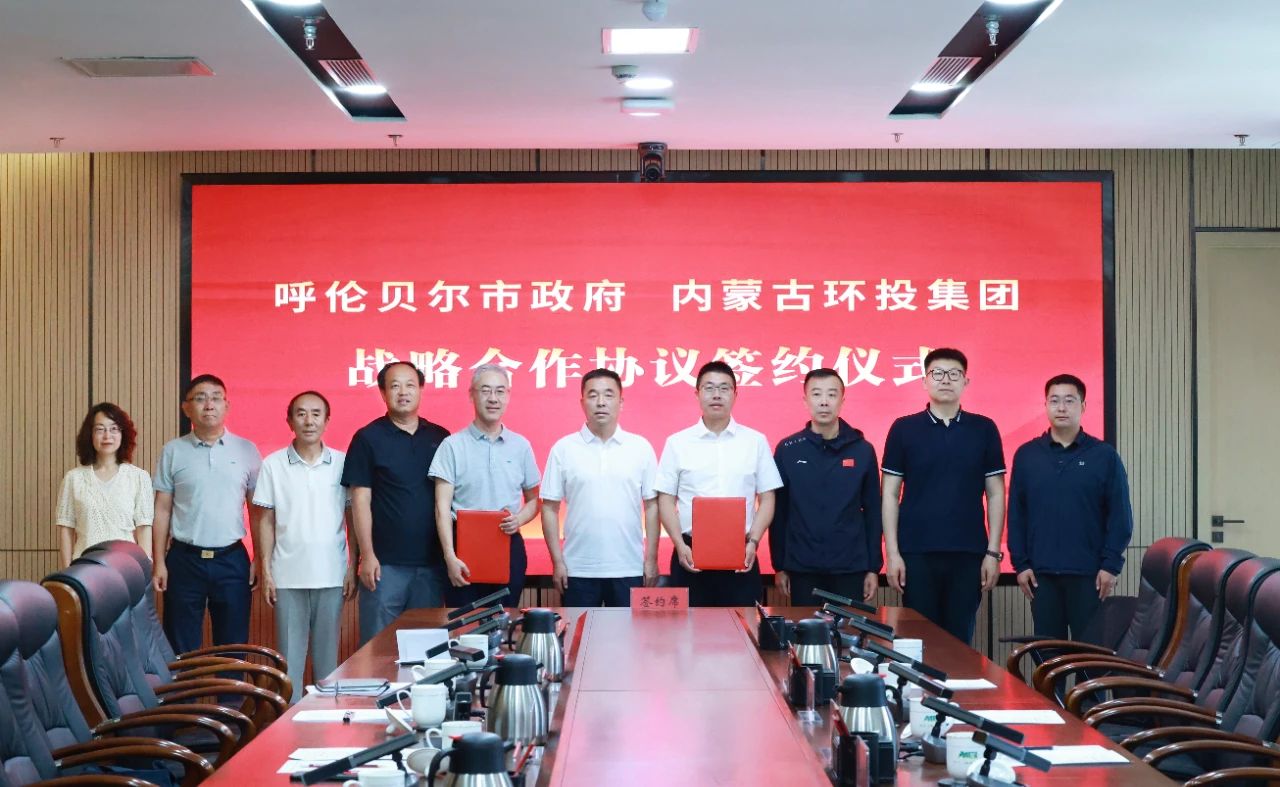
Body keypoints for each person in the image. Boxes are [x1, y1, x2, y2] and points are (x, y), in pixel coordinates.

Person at [881, 348, 1005, 645]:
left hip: (968, 553)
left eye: (954, 374)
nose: (945, 380)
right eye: (937, 373)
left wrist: (993, 553)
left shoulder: (984, 428)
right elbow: (889, 494)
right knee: (919, 639)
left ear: (966, 381)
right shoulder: (904, 428)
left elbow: (996, 493)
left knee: (959, 640)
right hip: (916, 553)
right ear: (925, 381)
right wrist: (892, 553)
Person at [1008, 374, 1133, 640]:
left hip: (1089, 575)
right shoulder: (1027, 455)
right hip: (1040, 576)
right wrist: (1020, 564)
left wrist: (1110, 566)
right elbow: (1017, 515)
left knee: (1089, 651)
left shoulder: (1104, 456)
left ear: (1083, 406)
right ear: (1045, 405)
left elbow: (1120, 517)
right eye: (1054, 401)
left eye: (1069, 400)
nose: (1061, 407)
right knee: (1048, 653)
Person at [252, 391, 355, 702]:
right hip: (287, 576)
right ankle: (289, 726)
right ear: (289, 421)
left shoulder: (343, 463)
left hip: (331, 574)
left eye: (316, 414)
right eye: (301, 414)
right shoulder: (273, 465)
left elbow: (352, 518)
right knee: (288, 666)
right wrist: (266, 570)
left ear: (327, 420)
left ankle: (325, 725)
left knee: (327, 665)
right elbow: (265, 521)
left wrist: (354, 565)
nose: (309, 421)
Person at [655, 360, 783, 607]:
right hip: (689, 554)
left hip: (741, 553)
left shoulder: (755, 441)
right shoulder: (677, 443)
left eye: (724, 388)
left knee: (743, 627)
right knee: (688, 628)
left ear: (735, 394)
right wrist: (679, 545)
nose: (717, 395)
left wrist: (754, 541)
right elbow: (666, 499)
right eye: (709, 388)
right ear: (697, 394)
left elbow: (768, 498)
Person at [343, 361, 451, 645]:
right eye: (394, 386)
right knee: (378, 650)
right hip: (383, 566)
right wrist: (367, 555)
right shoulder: (367, 438)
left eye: (410, 385)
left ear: (421, 389)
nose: (403, 392)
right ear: (382, 392)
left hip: (431, 566)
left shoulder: (440, 438)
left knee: (427, 650)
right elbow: (360, 500)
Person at [152, 374, 262, 653]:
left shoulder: (247, 450)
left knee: (233, 644)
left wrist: (259, 559)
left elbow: (256, 511)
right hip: (184, 560)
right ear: (186, 408)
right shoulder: (173, 451)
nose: (209, 404)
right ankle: (183, 686)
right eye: (200, 398)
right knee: (180, 646)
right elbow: (162, 509)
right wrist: (159, 562)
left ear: (227, 405)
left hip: (232, 559)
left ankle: (230, 686)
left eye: (216, 398)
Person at [541, 368, 660, 607]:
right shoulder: (564, 448)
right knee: (579, 631)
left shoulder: (640, 448)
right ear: (582, 402)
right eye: (593, 395)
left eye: (608, 394)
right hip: (578, 569)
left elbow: (652, 506)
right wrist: (558, 562)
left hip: (629, 567)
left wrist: (651, 559)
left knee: (628, 632)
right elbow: (549, 508)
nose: (601, 402)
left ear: (621, 402)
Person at [431, 364, 540, 608]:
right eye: (485, 390)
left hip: (507, 542)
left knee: (504, 618)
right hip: (462, 547)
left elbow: (534, 500)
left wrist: (519, 519)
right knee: (464, 623)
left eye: (500, 391)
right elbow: (441, 507)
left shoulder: (520, 446)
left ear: (508, 396)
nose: (493, 398)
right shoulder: (452, 445)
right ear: (472, 394)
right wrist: (449, 555)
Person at [771, 369, 882, 606]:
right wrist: (779, 565)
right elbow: (779, 512)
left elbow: (873, 511)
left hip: (850, 567)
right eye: (816, 394)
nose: (824, 402)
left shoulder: (862, 450)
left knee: (848, 629)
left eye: (831, 394)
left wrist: (873, 567)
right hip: (802, 567)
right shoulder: (788, 449)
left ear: (842, 400)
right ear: (805, 400)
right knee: (806, 629)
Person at [55, 403, 153, 567]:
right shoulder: (74, 479)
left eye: (114, 429)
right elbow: (66, 529)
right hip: (84, 568)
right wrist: (67, 570)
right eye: (100, 429)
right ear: (90, 435)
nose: (107, 436)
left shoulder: (139, 477)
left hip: (126, 568)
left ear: (123, 434)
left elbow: (144, 529)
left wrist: (144, 571)